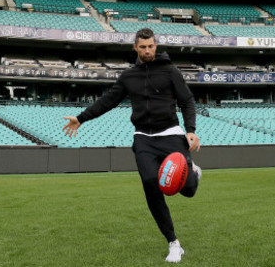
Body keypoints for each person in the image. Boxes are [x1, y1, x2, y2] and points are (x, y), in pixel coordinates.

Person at [62, 28, 201, 263]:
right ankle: (173, 243)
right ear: (135, 48)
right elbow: (108, 101)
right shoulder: (128, 77)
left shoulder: (170, 71)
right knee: (150, 183)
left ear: (156, 46)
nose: (148, 51)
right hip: (143, 138)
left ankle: (194, 173)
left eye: (151, 46)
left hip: (170, 134)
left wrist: (190, 131)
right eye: (143, 47)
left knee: (187, 190)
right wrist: (81, 118)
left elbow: (187, 100)